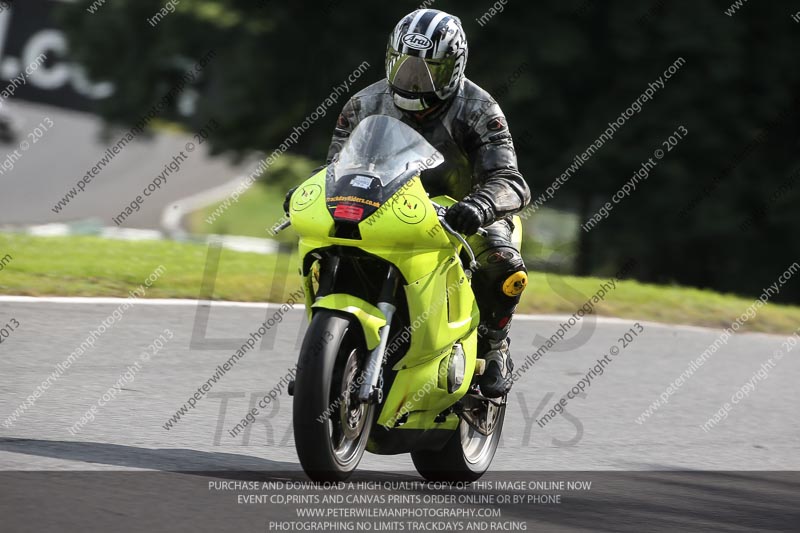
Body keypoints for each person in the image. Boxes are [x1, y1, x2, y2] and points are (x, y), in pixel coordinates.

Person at [285, 9, 530, 398]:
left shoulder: (481, 109)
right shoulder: (363, 103)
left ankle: (494, 346)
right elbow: (335, 168)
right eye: (405, 67)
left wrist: (481, 205)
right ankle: (324, 355)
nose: (415, 81)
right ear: (389, 58)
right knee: (327, 247)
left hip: (459, 212)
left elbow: (510, 181)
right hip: (384, 205)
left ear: (455, 66)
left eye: (430, 70)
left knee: (504, 264)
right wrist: (309, 192)